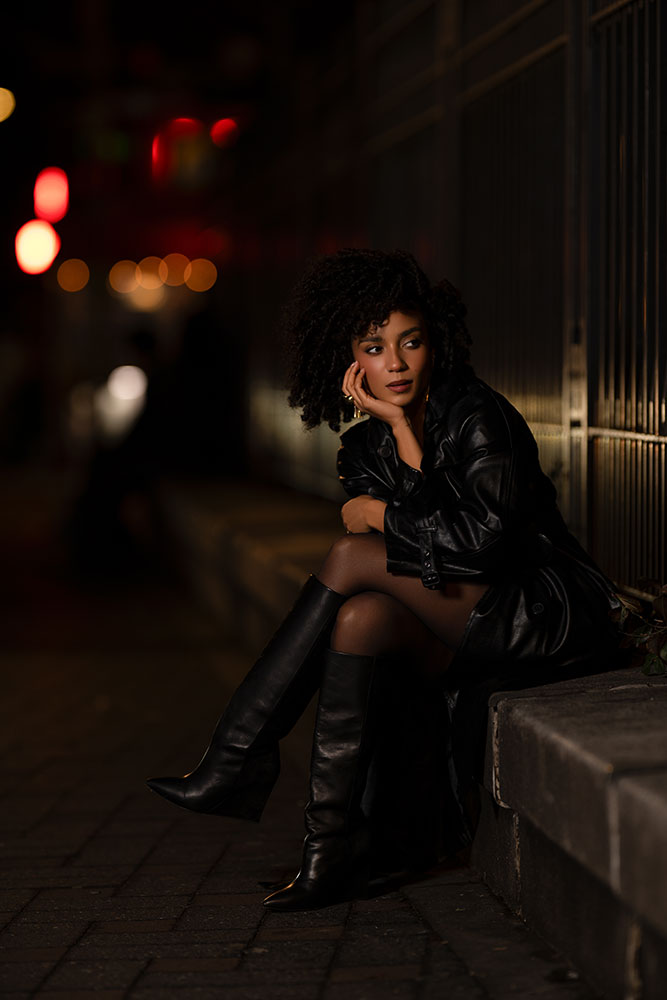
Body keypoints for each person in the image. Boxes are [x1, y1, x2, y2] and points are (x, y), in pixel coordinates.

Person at [147, 248, 621, 912]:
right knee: (357, 619)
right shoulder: (363, 448)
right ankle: (328, 851)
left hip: (534, 610)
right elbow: (416, 557)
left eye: (410, 342)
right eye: (374, 346)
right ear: (350, 360)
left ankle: (236, 755)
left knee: (348, 555)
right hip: (461, 615)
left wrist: (397, 452)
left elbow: (479, 548)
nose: (394, 362)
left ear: (436, 342)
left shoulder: (477, 415)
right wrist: (392, 444)